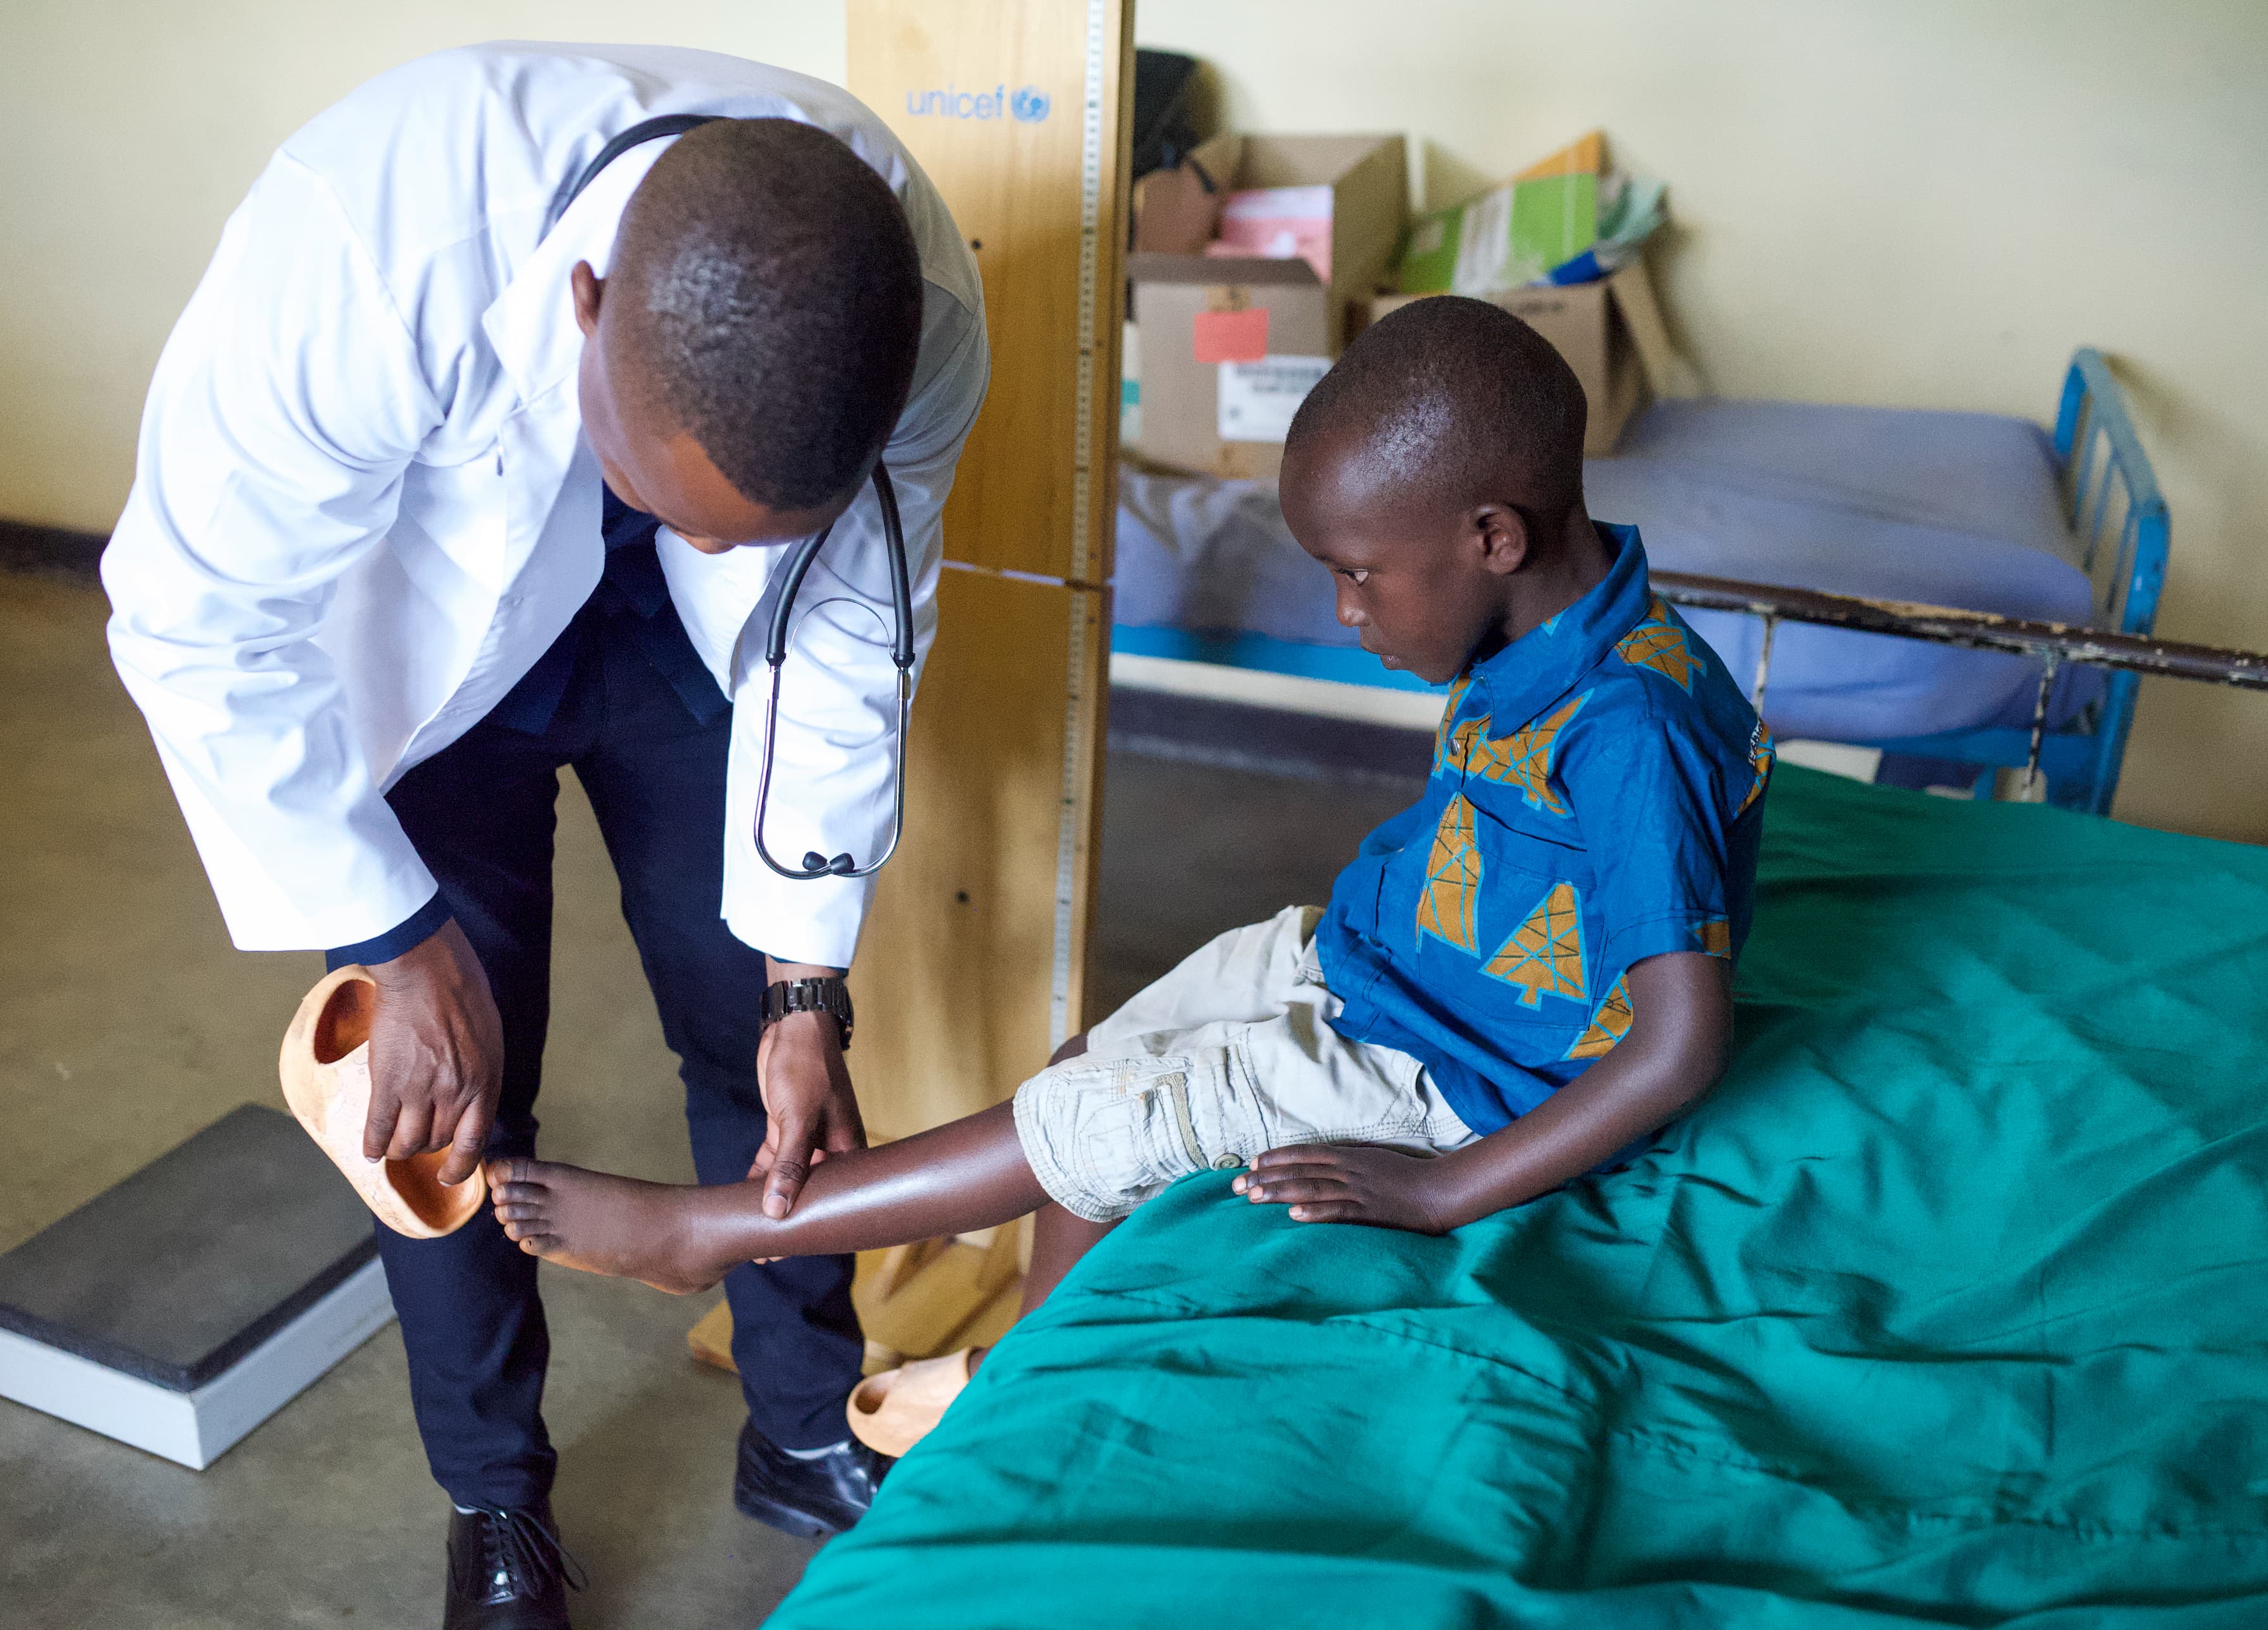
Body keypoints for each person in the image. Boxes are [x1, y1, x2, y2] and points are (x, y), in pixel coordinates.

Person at [474, 296, 1776, 1440]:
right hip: (1366, 967)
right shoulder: (1538, 632)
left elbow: (1678, 1044)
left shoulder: (1634, 726)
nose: (1348, 613)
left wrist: (1441, 1190)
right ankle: (1032, 1373)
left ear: (1495, 534)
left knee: (1091, 1131)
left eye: (1361, 577)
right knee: (1075, 1076)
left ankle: (714, 1231)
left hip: (1453, 1075)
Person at [101, 43, 987, 1630]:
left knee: (754, 1032)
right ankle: (494, 1500)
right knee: (440, 1103)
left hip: (694, 651)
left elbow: (850, 636)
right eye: (691, 503)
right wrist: (394, 934)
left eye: (750, 528)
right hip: (435, 642)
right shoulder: (368, 254)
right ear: (585, 308)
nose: (717, 539)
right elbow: (190, 621)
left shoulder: (912, 312)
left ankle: (801, 1423)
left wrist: (805, 988)